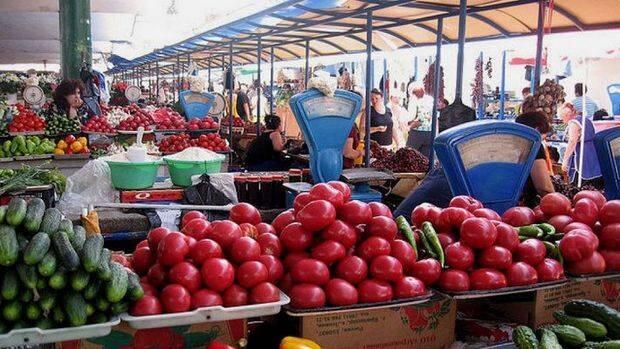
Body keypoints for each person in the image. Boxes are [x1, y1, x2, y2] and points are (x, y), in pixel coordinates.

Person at [393, 111, 556, 219]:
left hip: (428, 205)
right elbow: (545, 188)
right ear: (535, 130)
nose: (543, 140)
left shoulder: (498, 145)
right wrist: (560, 210)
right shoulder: (532, 144)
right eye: (543, 135)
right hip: (455, 204)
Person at [515, 112, 556, 207]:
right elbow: (544, 187)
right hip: (526, 208)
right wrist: (559, 204)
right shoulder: (534, 145)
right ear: (537, 130)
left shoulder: (513, 143)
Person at [560, 103, 603, 188]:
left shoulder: (573, 123)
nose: (562, 119)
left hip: (582, 155)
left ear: (567, 115)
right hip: (592, 152)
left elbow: (572, 141)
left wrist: (565, 159)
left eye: (562, 116)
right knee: (594, 182)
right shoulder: (586, 120)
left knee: (579, 183)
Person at [406, 84, 434, 155]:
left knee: (409, 155)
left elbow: (411, 116)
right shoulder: (431, 99)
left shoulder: (414, 100)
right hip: (429, 132)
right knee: (425, 158)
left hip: (416, 132)